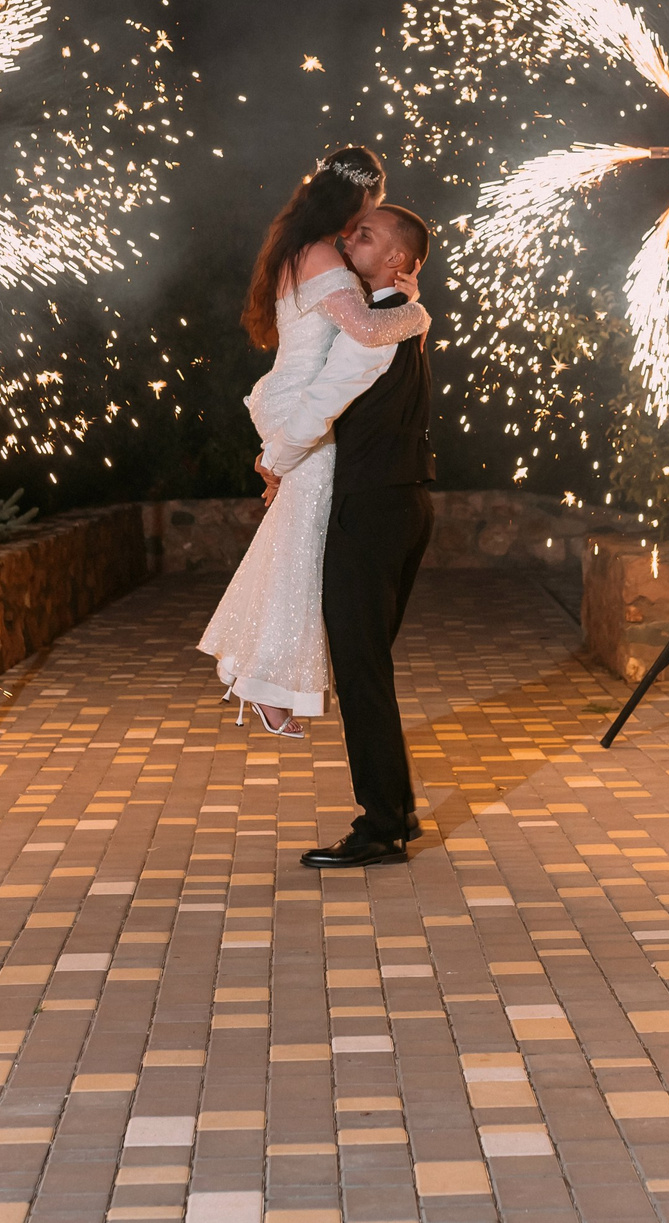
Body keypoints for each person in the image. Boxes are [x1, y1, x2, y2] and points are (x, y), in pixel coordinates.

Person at [197, 149, 427, 738]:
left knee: (296, 535)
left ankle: (260, 678)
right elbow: (370, 331)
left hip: (297, 403)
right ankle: (263, 682)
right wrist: (418, 312)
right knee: (303, 537)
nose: (362, 225)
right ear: (356, 199)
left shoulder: (305, 247)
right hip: (303, 404)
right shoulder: (321, 252)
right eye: (369, 210)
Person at [258, 204, 437, 868]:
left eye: (366, 235)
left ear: (397, 261)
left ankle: (382, 826)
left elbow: (322, 401)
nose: (348, 238)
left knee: (363, 670)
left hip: (371, 509)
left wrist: (274, 458)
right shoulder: (399, 318)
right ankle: (399, 810)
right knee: (370, 668)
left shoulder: (372, 333)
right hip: (404, 502)